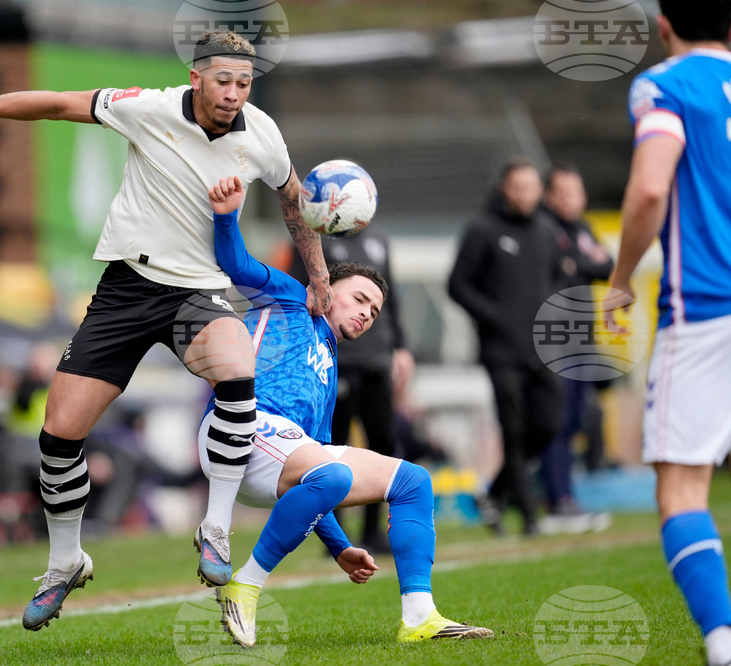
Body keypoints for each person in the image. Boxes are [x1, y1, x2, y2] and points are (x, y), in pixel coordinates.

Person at [0, 30, 334, 630]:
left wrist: (318, 278)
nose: (234, 94)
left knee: (237, 366)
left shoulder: (263, 134)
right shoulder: (148, 108)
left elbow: (295, 200)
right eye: (224, 81)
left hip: (198, 291)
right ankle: (66, 561)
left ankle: (215, 527)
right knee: (59, 433)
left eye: (244, 84)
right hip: (126, 289)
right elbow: (62, 103)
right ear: (197, 78)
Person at [200, 176, 493, 646]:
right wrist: (226, 214)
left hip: (278, 458)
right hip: (234, 431)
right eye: (359, 299)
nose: (366, 314)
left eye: (375, 311)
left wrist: (340, 548)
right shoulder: (291, 297)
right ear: (327, 286)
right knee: (330, 473)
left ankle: (419, 617)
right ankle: (246, 584)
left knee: (412, 481)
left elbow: (315, 468)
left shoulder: (329, 370)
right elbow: (235, 262)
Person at [609, 2, 731, 664]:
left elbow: (651, 188)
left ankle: (722, 646)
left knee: (682, 490)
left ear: (664, 25)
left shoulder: (667, 83)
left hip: (710, 308)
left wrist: (622, 277)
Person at [447, 158, 565, 536]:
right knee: (512, 430)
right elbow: (458, 285)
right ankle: (530, 517)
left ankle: (494, 493)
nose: (524, 195)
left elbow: (556, 283)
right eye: (517, 187)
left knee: (547, 426)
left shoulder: (547, 230)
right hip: (501, 352)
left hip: (542, 349)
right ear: (504, 189)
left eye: (531, 187)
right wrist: (497, 318)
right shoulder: (483, 229)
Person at [287, 228, 415, 553]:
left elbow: (392, 298)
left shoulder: (380, 241)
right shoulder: (312, 240)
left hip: (377, 360)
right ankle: (335, 534)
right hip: (336, 357)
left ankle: (373, 530)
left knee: (383, 442)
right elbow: (299, 293)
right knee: (332, 445)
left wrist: (400, 346)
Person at [538, 165, 614, 534]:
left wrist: (577, 264)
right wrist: (579, 265)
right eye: (563, 192)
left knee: (572, 422)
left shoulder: (582, 228)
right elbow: (562, 270)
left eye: (576, 192)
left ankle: (559, 496)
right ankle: (557, 500)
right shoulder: (542, 228)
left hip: (583, 340)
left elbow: (605, 265)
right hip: (552, 340)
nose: (571, 200)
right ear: (549, 196)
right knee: (555, 423)